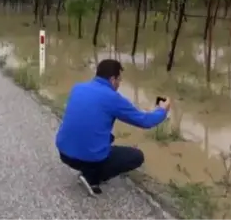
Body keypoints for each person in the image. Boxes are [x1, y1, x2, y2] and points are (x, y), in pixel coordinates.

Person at [55, 59, 171, 196]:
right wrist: (162, 110)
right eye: (119, 80)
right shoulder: (113, 98)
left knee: (106, 136)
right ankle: (92, 177)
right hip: (86, 157)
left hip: (64, 153)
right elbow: (145, 121)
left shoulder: (78, 88)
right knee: (136, 156)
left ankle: (89, 167)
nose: (119, 84)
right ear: (112, 79)